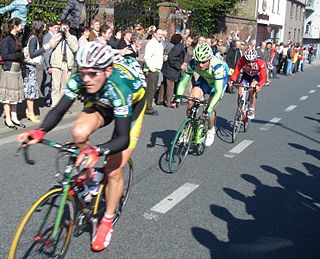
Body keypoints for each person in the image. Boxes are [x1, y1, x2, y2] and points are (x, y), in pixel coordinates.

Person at [17, 41, 147, 252]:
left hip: (130, 106)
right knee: (78, 132)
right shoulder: (83, 79)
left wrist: (96, 150)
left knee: (114, 169)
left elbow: (122, 138)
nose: (86, 79)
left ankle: (106, 221)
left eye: (93, 73)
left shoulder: (120, 87)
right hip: (101, 101)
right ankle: (92, 177)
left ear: (107, 70)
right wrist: (39, 132)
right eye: (83, 72)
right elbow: (59, 111)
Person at [173, 43, 229, 147]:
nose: (200, 65)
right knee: (191, 100)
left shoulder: (218, 66)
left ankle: (211, 129)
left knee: (209, 109)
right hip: (205, 80)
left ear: (209, 59)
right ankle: (188, 128)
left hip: (218, 84)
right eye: (198, 62)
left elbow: (218, 91)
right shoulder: (193, 63)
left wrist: (209, 109)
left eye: (203, 62)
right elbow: (183, 82)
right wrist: (177, 99)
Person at [0, 18, 25, 129]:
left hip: (17, 69)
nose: (22, 26)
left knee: (15, 95)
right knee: (7, 96)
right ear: (15, 26)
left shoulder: (17, 37)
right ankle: (8, 119)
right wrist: (19, 55)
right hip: (9, 69)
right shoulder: (6, 39)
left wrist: (22, 55)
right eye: (20, 25)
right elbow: (5, 56)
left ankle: (14, 117)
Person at [230, 48, 267, 120]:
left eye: (253, 62)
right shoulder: (241, 60)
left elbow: (263, 78)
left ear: (256, 59)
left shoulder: (261, 62)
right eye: (248, 61)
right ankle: (240, 109)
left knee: (252, 87)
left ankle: (251, 108)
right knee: (241, 88)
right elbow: (236, 71)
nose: (250, 64)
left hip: (256, 77)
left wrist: (258, 85)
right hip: (246, 76)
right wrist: (232, 80)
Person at [50, 20, 78, 108]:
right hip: (56, 63)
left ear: (69, 28)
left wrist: (67, 36)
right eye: (63, 27)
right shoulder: (56, 36)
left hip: (67, 64)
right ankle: (55, 104)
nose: (64, 29)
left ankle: (61, 106)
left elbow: (75, 48)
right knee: (55, 86)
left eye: (66, 27)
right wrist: (60, 35)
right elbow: (51, 45)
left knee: (64, 87)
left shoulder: (72, 38)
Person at [23, 20, 46, 123]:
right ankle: (31, 113)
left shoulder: (34, 38)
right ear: (39, 27)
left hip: (30, 67)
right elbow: (32, 54)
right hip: (29, 67)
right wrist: (44, 49)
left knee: (31, 90)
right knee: (30, 91)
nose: (44, 27)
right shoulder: (34, 39)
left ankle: (29, 111)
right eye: (43, 25)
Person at [143, 28, 164, 116]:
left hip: (156, 70)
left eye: (161, 34)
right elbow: (146, 57)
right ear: (154, 34)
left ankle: (149, 106)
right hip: (152, 70)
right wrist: (151, 68)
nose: (160, 35)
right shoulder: (151, 44)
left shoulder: (159, 43)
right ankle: (148, 107)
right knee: (150, 89)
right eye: (159, 34)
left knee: (153, 89)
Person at [41, 21, 59, 107]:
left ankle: (49, 97)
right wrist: (48, 66)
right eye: (55, 27)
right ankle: (47, 99)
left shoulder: (55, 36)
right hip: (48, 63)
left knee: (51, 81)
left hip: (53, 62)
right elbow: (46, 52)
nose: (57, 29)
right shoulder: (47, 37)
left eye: (57, 28)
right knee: (47, 80)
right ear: (50, 28)